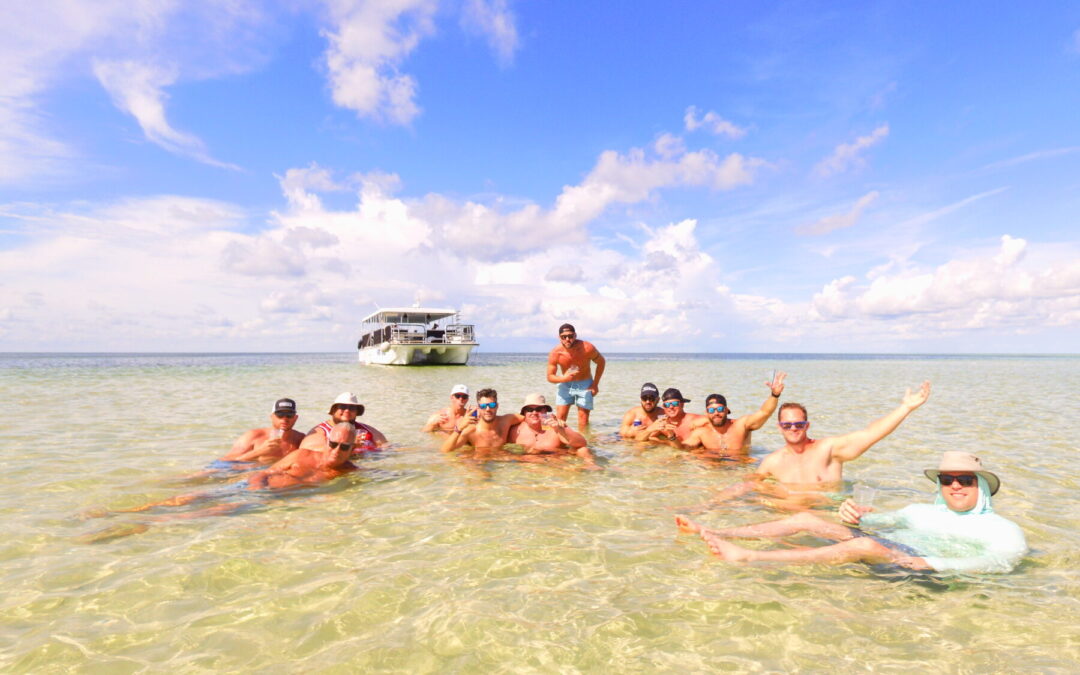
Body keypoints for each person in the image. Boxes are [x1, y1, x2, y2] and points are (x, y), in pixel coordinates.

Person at [676, 452, 1027, 573]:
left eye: (965, 480)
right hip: (894, 548)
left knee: (866, 545)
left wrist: (933, 564)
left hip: (922, 570)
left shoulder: (1003, 528)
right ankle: (716, 531)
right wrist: (856, 515)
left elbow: (1003, 560)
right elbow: (880, 522)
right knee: (806, 520)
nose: (955, 486)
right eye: (947, 480)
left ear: (981, 486)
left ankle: (750, 557)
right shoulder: (919, 511)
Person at [714, 382, 932, 507]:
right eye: (787, 425)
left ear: (807, 425)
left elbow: (870, 433)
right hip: (790, 517)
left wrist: (905, 408)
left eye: (799, 424)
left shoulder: (828, 450)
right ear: (779, 427)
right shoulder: (772, 461)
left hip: (827, 516)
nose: (793, 428)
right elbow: (749, 484)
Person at [96, 423, 360, 520]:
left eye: (344, 446)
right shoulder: (303, 454)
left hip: (270, 501)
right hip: (254, 488)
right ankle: (125, 513)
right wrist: (256, 485)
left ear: (353, 448)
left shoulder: (350, 472)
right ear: (327, 441)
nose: (336, 450)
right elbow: (267, 471)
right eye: (333, 444)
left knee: (214, 511)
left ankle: (145, 524)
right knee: (191, 497)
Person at [680, 373, 787, 458]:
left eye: (720, 409)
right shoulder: (701, 432)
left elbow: (764, 412)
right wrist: (672, 437)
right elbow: (683, 448)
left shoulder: (741, 426)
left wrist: (775, 395)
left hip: (739, 467)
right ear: (706, 413)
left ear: (727, 410)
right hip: (712, 470)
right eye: (711, 410)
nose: (716, 413)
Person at [507, 394, 599, 468]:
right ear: (524, 413)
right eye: (529, 409)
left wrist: (559, 429)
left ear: (545, 411)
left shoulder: (556, 426)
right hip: (530, 462)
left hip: (556, 460)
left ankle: (590, 468)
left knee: (583, 450)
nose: (534, 413)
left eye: (539, 409)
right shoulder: (515, 430)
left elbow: (582, 443)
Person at [546, 323, 606, 431]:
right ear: (559, 337)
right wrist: (563, 379)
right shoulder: (555, 353)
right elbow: (550, 377)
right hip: (565, 384)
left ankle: (585, 439)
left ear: (575, 335)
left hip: (585, 384)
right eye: (564, 337)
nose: (567, 339)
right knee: (560, 419)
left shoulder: (587, 348)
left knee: (583, 420)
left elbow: (601, 362)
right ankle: (561, 440)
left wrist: (595, 384)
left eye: (570, 336)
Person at [216, 398, 305, 464]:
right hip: (249, 474)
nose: (285, 419)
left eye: (289, 414)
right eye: (280, 414)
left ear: (295, 418)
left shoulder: (301, 440)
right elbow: (225, 462)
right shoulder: (253, 436)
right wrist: (260, 451)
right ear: (272, 416)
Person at [440, 388, 523, 458]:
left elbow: (527, 418)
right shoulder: (471, 431)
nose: (488, 409)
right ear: (478, 408)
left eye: (492, 405)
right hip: (479, 460)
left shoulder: (506, 421)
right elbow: (445, 450)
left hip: (500, 458)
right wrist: (459, 428)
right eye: (483, 406)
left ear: (497, 406)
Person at [304, 392, 387, 455]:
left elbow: (387, 447)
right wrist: (350, 446)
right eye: (342, 407)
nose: (347, 410)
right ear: (334, 410)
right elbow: (308, 453)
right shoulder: (320, 432)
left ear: (357, 412)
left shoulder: (367, 430)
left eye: (352, 408)